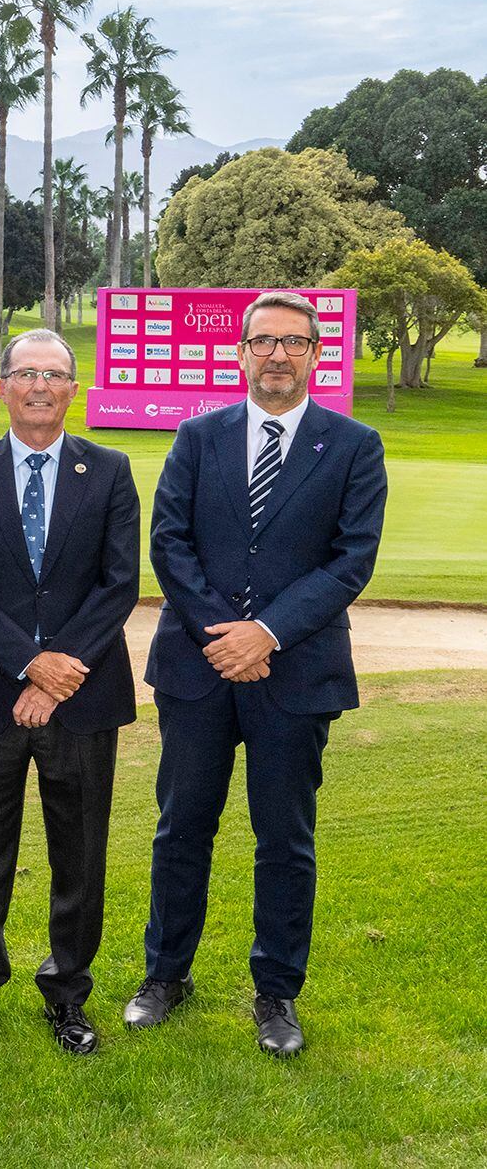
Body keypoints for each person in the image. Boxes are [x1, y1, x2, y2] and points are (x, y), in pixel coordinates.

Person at [127, 290, 387, 1058]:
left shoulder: (353, 445)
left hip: (295, 669)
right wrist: (225, 635)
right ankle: (165, 975)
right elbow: (169, 541)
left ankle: (276, 992)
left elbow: (351, 561)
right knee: (182, 828)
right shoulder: (197, 436)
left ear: (316, 354)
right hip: (200, 669)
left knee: (285, 839)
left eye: (294, 343)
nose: (278, 355)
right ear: (240, 352)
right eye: (264, 342)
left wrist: (267, 632)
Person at [0, 329, 140, 1055]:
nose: (41, 387)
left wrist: (58, 673)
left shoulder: (110, 470)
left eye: (55, 375)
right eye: (27, 374)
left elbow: (120, 584)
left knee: (79, 853)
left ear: (73, 388)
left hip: (83, 698)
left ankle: (67, 994)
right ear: (3, 386)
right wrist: (29, 665)